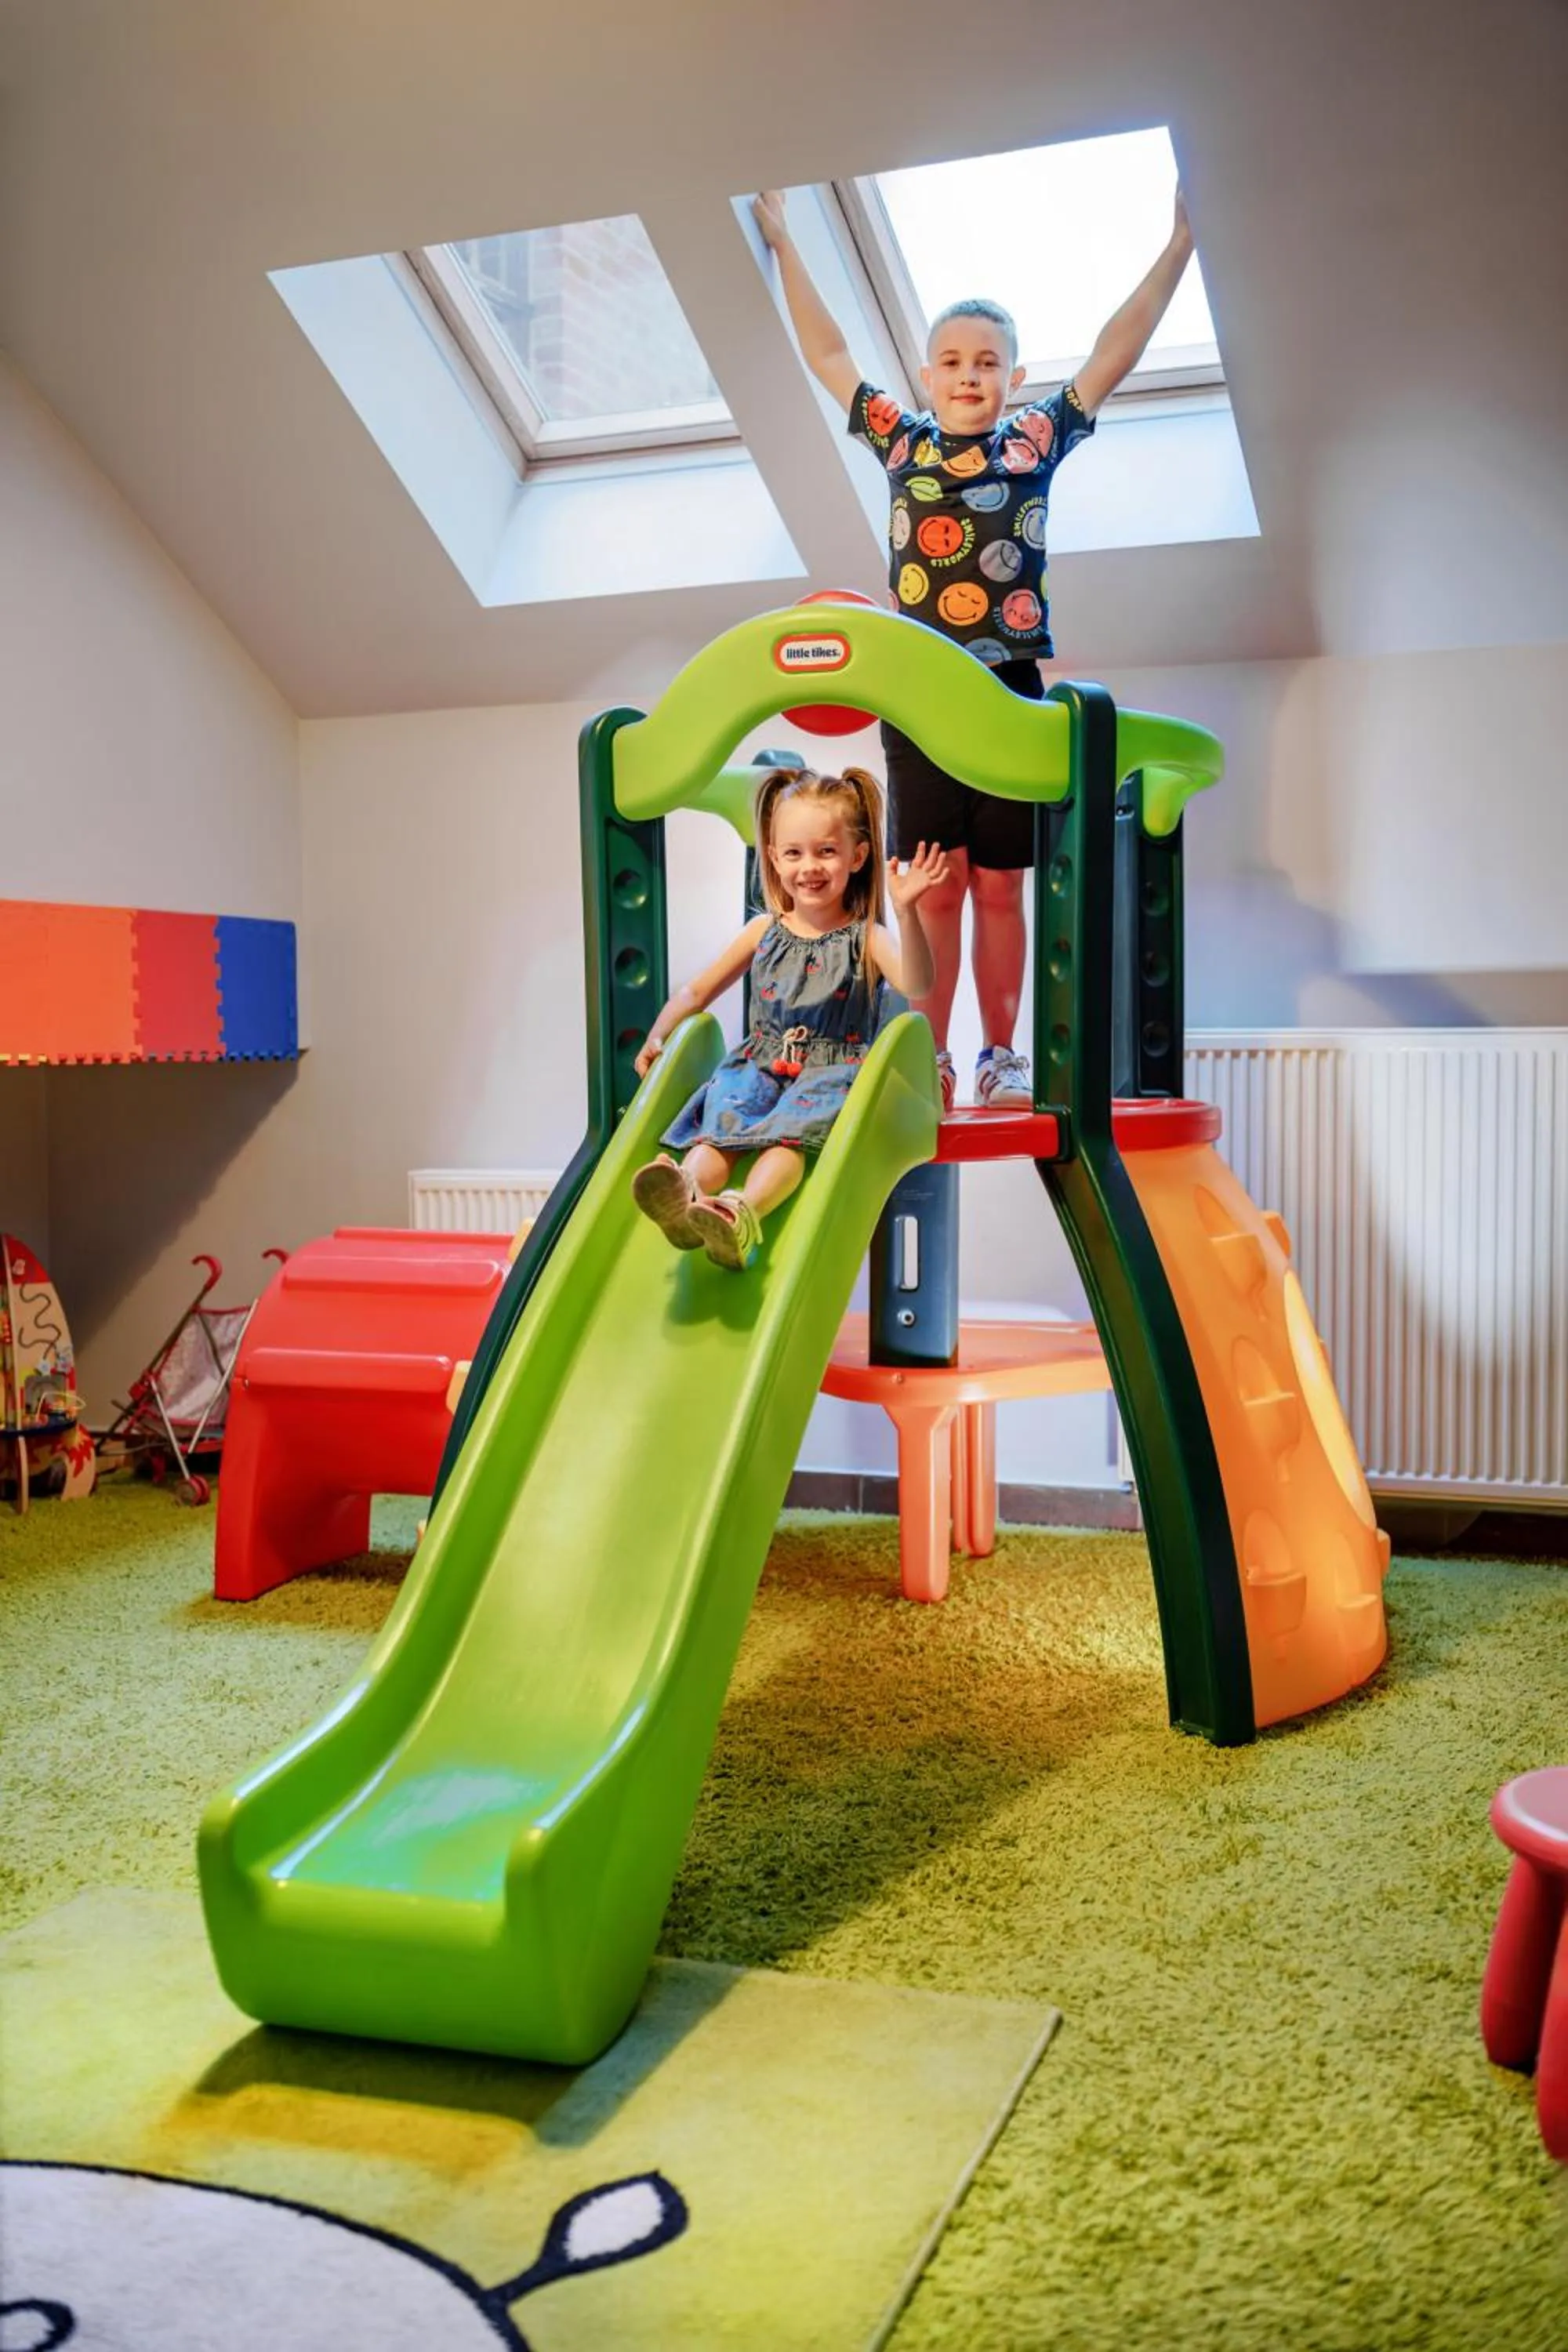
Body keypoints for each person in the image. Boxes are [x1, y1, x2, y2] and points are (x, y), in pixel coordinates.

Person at [752, 183, 1196, 1111]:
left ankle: (1000, 1055)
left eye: (986, 363)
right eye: (950, 361)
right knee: (934, 889)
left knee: (999, 889)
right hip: (917, 696)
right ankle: (938, 1055)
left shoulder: (1033, 440)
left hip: (1007, 689)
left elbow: (1114, 351)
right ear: (924, 377)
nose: (967, 376)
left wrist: (1179, 245)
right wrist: (786, 243)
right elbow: (827, 353)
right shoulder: (900, 443)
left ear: (1011, 379)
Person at [630, 766, 949, 1270]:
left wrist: (906, 911)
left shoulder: (867, 936)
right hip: (758, 1063)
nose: (810, 867)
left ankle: (740, 1216)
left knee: (788, 1137)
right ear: (774, 859)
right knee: (721, 1129)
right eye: (794, 853)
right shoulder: (763, 930)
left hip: (829, 1072)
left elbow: (918, 984)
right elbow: (698, 989)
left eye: (826, 851)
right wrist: (658, 1033)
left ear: (857, 857)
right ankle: (685, 1197)